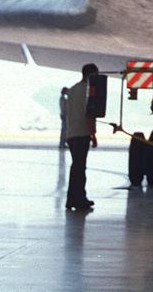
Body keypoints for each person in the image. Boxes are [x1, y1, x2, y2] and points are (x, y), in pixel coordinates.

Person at [64, 63, 99, 212]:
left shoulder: (72, 90)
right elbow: (90, 114)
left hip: (71, 134)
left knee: (76, 167)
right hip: (82, 133)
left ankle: (72, 199)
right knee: (80, 168)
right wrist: (93, 134)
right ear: (91, 75)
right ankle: (79, 199)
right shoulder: (88, 91)